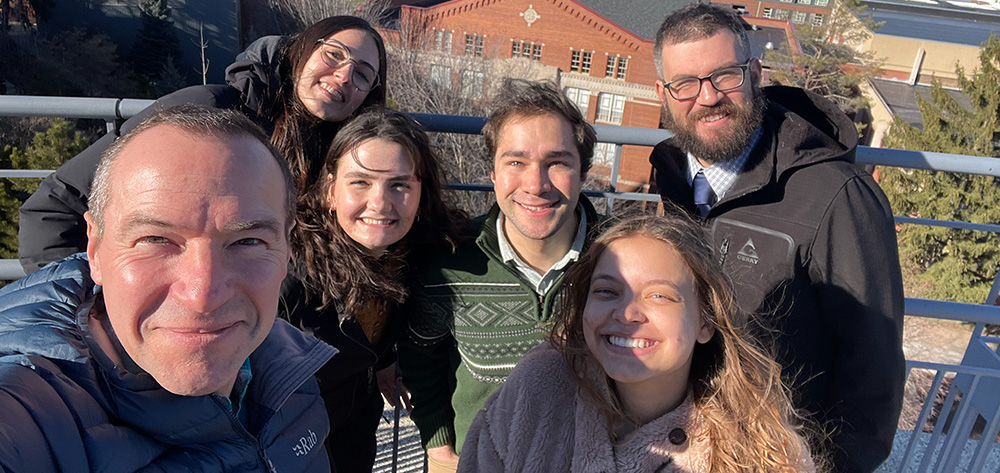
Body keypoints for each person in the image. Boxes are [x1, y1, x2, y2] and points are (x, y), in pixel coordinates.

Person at [0, 105, 336, 471]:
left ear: (286, 250)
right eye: (156, 239)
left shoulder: (290, 370)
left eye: (248, 241)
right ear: (95, 249)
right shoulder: (29, 408)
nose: (203, 295)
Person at [647, 5, 905, 472]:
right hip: (679, 445)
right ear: (663, 94)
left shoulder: (837, 196)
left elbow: (874, 373)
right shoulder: (671, 175)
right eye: (685, 84)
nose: (707, 98)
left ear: (755, 75)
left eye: (724, 76)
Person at [18, 15, 387, 273]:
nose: (343, 75)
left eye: (362, 74)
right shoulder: (207, 110)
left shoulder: (339, 161)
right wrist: (95, 307)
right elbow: (55, 206)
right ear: (302, 50)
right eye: (334, 54)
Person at [459, 214, 818, 473]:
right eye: (606, 291)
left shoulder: (760, 448)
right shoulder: (538, 388)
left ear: (706, 321)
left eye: (660, 296)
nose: (627, 313)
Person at [398, 79, 603, 472]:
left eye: (557, 162)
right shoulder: (449, 264)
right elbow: (421, 354)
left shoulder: (622, 262)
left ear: (583, 173)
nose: (535, 185)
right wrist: (439, 447)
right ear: (492, 173)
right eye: (516, 162)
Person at [282, 108, 467, 472]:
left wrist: (382, 359)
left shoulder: (415, 252)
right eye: (360, 182)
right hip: (289, 439)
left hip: (353, 426)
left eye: (399, 184)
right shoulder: (287, 273)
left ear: (421, 194)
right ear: (330, 191)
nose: (380, 202)